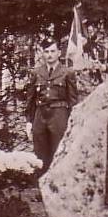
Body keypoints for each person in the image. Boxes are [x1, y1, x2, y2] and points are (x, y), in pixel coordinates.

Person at [25, 39, 79, 175]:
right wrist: (28, 121)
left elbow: (73, 100)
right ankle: (41, 191)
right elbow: (30, 99)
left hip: (59, 115)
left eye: (53, 51)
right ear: (43, 54)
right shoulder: (36, 73)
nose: (49, 55)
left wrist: (73, 123)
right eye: (46, 51)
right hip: (40, 116)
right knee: (39, 155)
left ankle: (58, 190)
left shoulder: (67, 73)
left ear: (59, 53)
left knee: (59, 152)